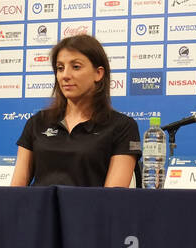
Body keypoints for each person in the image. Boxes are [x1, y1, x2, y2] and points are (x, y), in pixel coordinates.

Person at [11, 34, 140, 187]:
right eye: (60, 68)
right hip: (39, 210)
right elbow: (17, 189)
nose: (65, 75)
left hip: (91, 210)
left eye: (76, 67)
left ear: (98, 73)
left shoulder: (122, 126)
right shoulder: (37, 122)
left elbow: (112, 197)